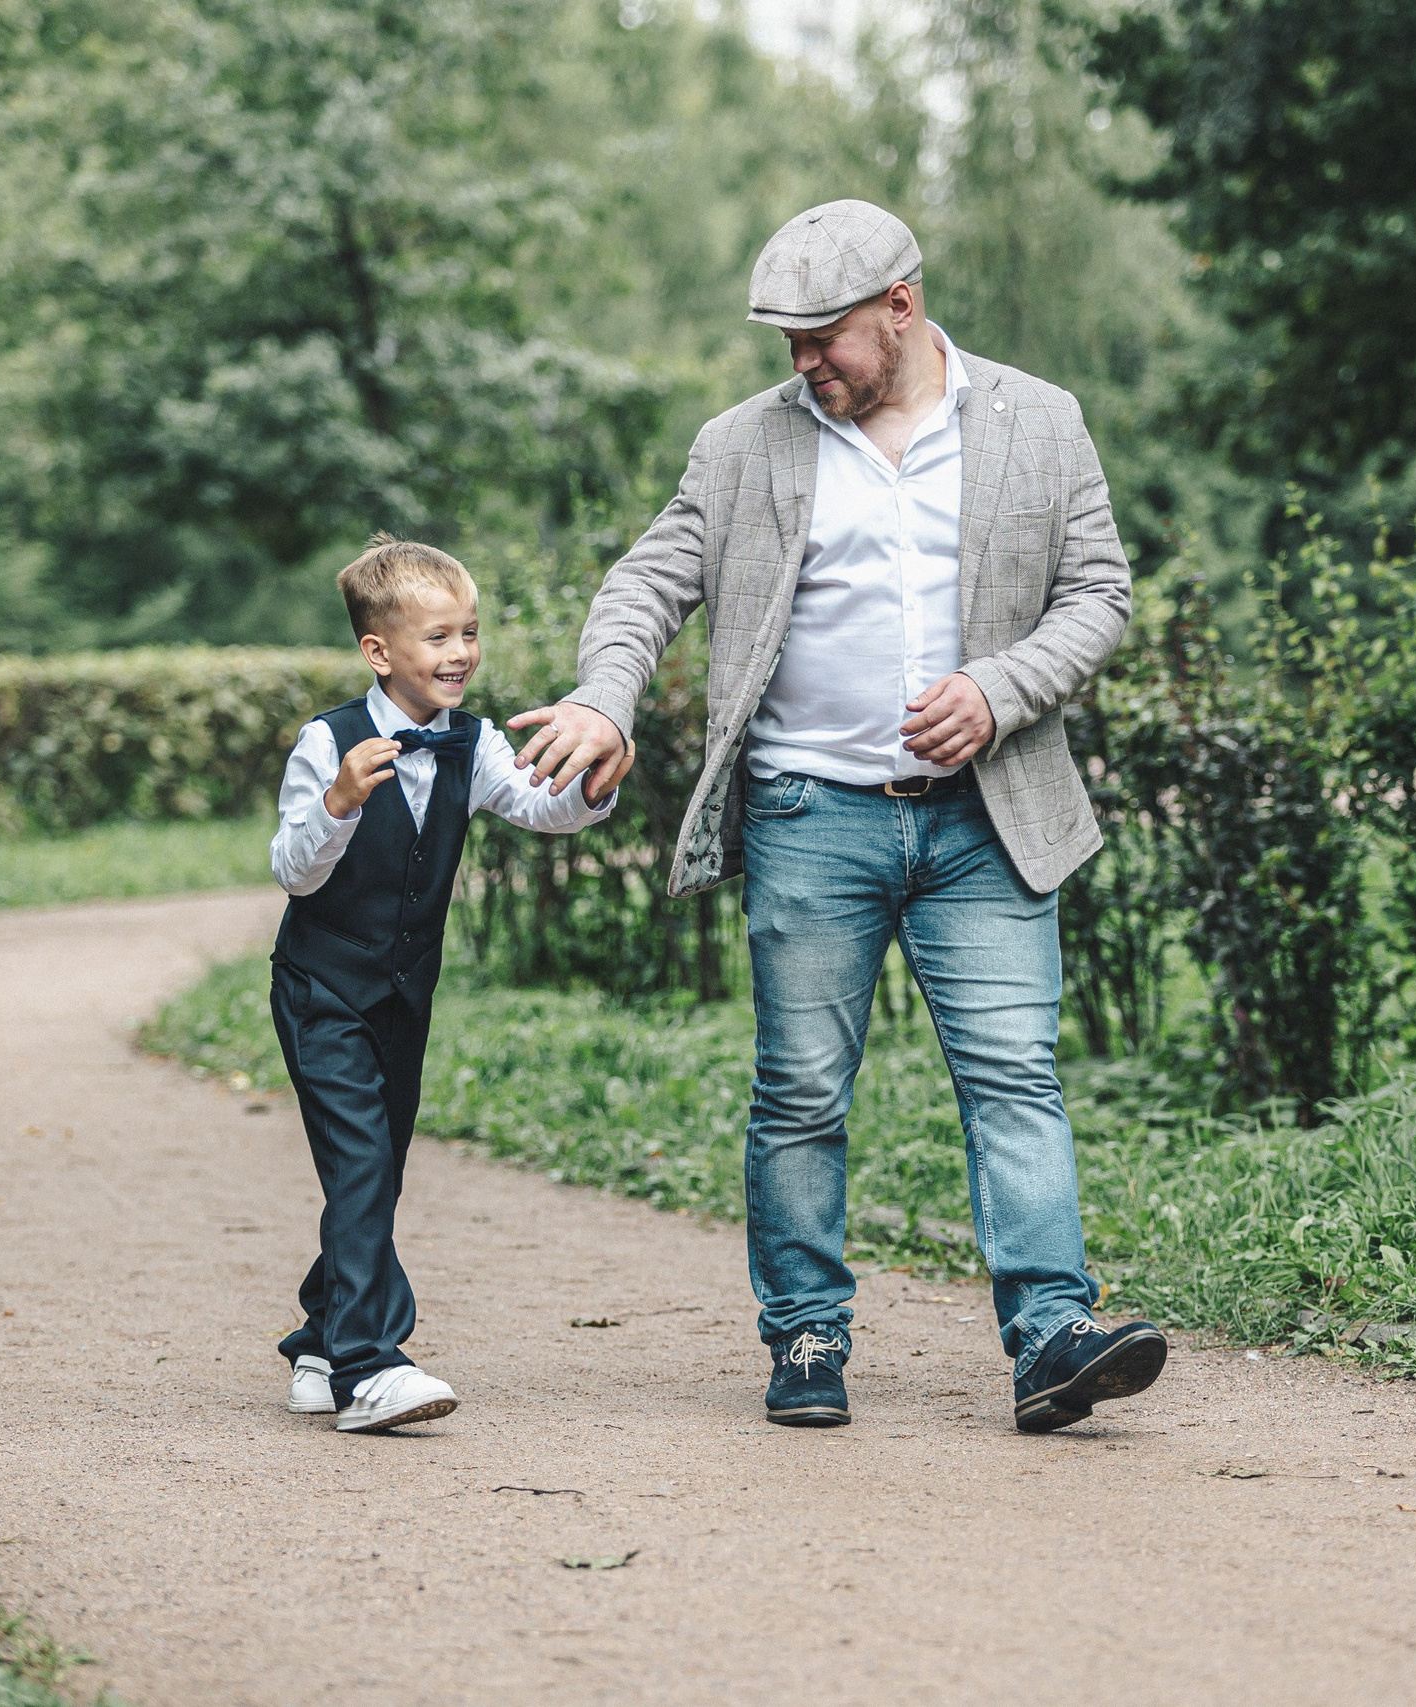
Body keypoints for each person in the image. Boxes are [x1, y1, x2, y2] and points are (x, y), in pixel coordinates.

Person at [509, 200, 1168, 1434]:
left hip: (988, 819)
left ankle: (1051, 1337)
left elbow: (1098, 593)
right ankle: (806, 1335)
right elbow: (649, 581)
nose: (804, 364)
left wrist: (997, 687)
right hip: (812, 813)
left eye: (824, 338)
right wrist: (606, 698)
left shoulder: (1038, 421)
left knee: (1013, 1076)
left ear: (902, 309)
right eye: (788, 344)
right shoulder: (743, 444)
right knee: (801, 1091)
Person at [268, 536, 632, 1433]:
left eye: (469, 632)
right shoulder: (331, 741)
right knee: (359, 1163)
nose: (461, 652)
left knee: (378, 1171)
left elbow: (540, 808)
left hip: (402, 994)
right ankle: (366, 1365)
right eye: (437, 637)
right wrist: (338, 805)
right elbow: (292, 871)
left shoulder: (470, 742)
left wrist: (590, 786)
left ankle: (317, 1338)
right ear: (379, 651)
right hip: (321, 990)